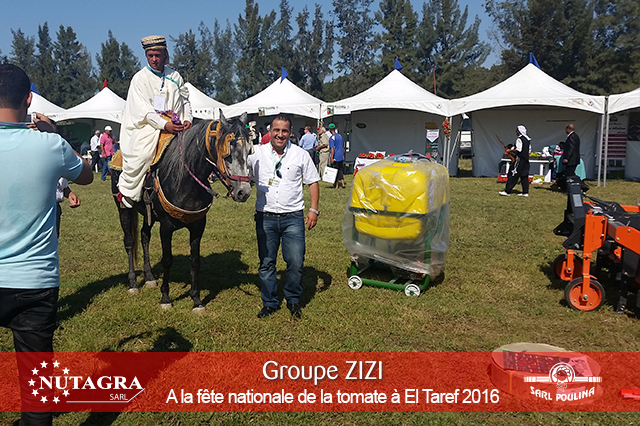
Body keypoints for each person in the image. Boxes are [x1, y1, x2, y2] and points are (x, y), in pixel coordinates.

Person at [0, 63, 93, 425]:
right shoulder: (51, 146)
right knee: (38, 394)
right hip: (35, 281)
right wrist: (55, 134)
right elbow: (86, 175)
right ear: (29, 99)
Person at [248, 114, 320, 319]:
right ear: (270, 131)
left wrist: (313, 210)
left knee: (295, 262)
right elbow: (237, 167)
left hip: (293, 217)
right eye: (276, 130)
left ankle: (293, 299)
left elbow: (312, 182)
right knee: (266, 262)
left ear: (290, 133)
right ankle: (270, 302)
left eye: (284, 131)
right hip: (266, 217)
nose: (280, 135)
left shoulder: (300, 154)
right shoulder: (256, 153)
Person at [118, 35, 192, 207]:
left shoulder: (175, 76)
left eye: (157, 55)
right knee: (144, 154)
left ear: (165, 54)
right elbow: (144, 111)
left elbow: (185, 101)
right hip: (148, 128)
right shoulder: (140, 79)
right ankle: (130, 192)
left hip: (177, 125)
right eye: (150, 55)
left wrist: (187, 119)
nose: (154, 59)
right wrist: (164, 125)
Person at [499, 125, 531, 197]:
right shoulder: (528, 140)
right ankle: (525, 192)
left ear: (519, 131)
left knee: (513, 174)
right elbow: (529, 151)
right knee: (524, 175)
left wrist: (509, 151)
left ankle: (507, 191)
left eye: (517, 131)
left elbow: (518, 149)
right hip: (526, 160)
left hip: (519, 159)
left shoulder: (519, 139)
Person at [328, 123, 346, 189]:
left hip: (335, 156)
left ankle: (336, 185)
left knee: (335, 171)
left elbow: (332, 149)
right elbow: (342, 146)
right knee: (340, 170)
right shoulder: (340, 136)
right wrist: (343, 154)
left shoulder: (331, 138)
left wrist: (331, 158)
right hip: (340, 155)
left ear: (330, 130)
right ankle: (343, 183)